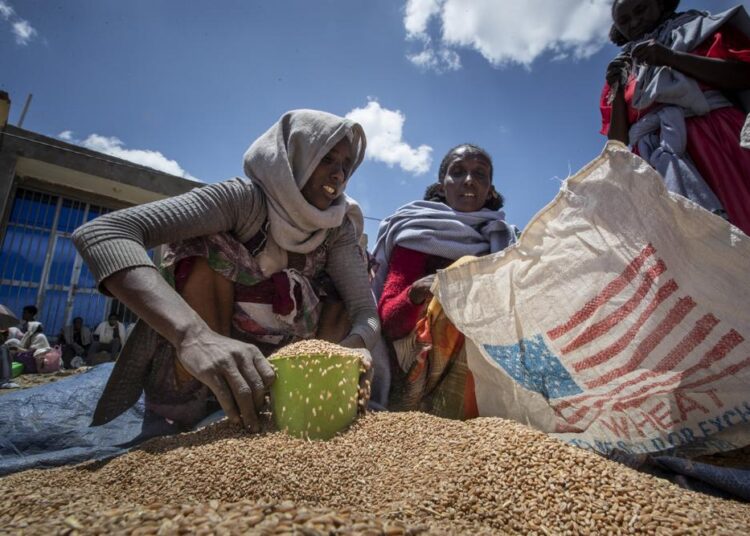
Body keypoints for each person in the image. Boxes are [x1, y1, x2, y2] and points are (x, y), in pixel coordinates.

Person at [72, 109, 379, 431]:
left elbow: (364, 312)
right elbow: (104, 234)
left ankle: (305, 410)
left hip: (291, 374)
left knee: (342, 296)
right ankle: (205, 407)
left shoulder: (337, 228)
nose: (339, 175)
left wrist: (348, 353)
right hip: (210, 353)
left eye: (346, 166)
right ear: (295, 157)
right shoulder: (242, 200)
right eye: (327, 159)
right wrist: (194, 336)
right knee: (204, 253)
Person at [372, 144, 518, 419]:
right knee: (463, 276)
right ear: (442, 186)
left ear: (490, 189)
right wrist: (416, 293)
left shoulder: (502, 241)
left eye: (480, 175)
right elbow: (389, 323)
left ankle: (488, 416)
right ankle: (437, 414)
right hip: (417, 360)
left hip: (485, 352)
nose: (469, 180)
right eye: (458, 172)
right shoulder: (418, 233)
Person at [601, 1, 750, 235]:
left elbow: (743, 75)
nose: (634, 22)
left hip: (719, 141)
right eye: (624, 21)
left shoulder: (699, 28)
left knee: (740, 220)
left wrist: (670, 57)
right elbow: (618, 142)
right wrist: (616, 88)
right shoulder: (626, 67)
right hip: (656, 166)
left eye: (641, 10)